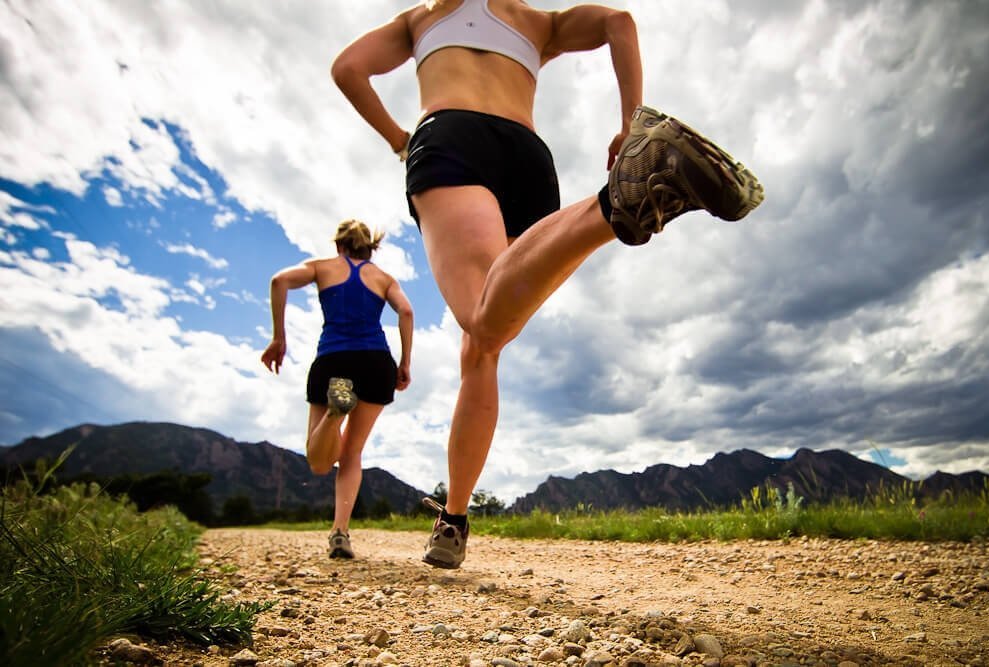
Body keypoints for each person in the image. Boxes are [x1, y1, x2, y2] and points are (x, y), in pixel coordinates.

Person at [331, 0, 763, 568]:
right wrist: (631, 121)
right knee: (482, 348)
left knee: (482, 320)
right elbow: (619, 23)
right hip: (529, 158)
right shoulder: (539, 23)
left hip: (449, 135)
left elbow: (347, 68)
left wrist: (398, 139)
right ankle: (454, 520)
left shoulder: (422, 18)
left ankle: (614, 205)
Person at [261, 219, 414, 559]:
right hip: (376, 362)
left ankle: (333, 415)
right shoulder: (384, 278)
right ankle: (340, 532)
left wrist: (278, 337)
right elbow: (405, 310)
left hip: (334, 360)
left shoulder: (322, 267)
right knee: (352, 453)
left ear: (339, 245)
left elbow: (279, 280)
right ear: (369, 247)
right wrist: (404, 363)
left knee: (319, 463)